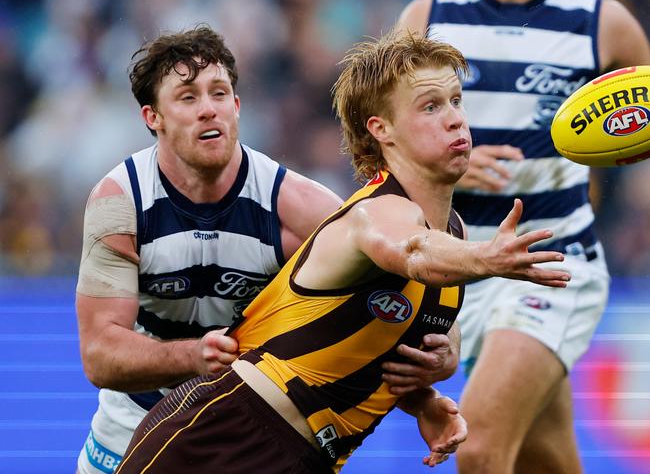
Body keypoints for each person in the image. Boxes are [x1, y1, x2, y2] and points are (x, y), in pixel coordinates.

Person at [115, 30, 571, 474]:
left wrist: (426, 391)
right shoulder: (372, 214)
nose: (454, 118)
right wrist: (487, 259)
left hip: (309, 455)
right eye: (430, 106)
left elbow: (405, 328)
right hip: (223, 435)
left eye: (455, 101)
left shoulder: (452, 232)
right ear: (382, 130)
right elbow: (412, 251)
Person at [75, 26, 459, 474]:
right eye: (187, 97)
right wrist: (194, 355)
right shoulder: (120, 205)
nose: (208, 110)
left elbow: (382, 313)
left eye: (219, 94)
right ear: (152, 117)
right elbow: (100, 354)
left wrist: (434, 373)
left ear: (237, 106)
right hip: (130, 428)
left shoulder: (300, 208)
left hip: (243, 433)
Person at [397, 0, 650, 472]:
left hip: (553, 263)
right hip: (459, 268)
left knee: (478, 446)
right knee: (547, 458)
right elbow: (381, 135)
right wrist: (441, 165)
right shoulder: (426, 16)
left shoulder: (604, 22)